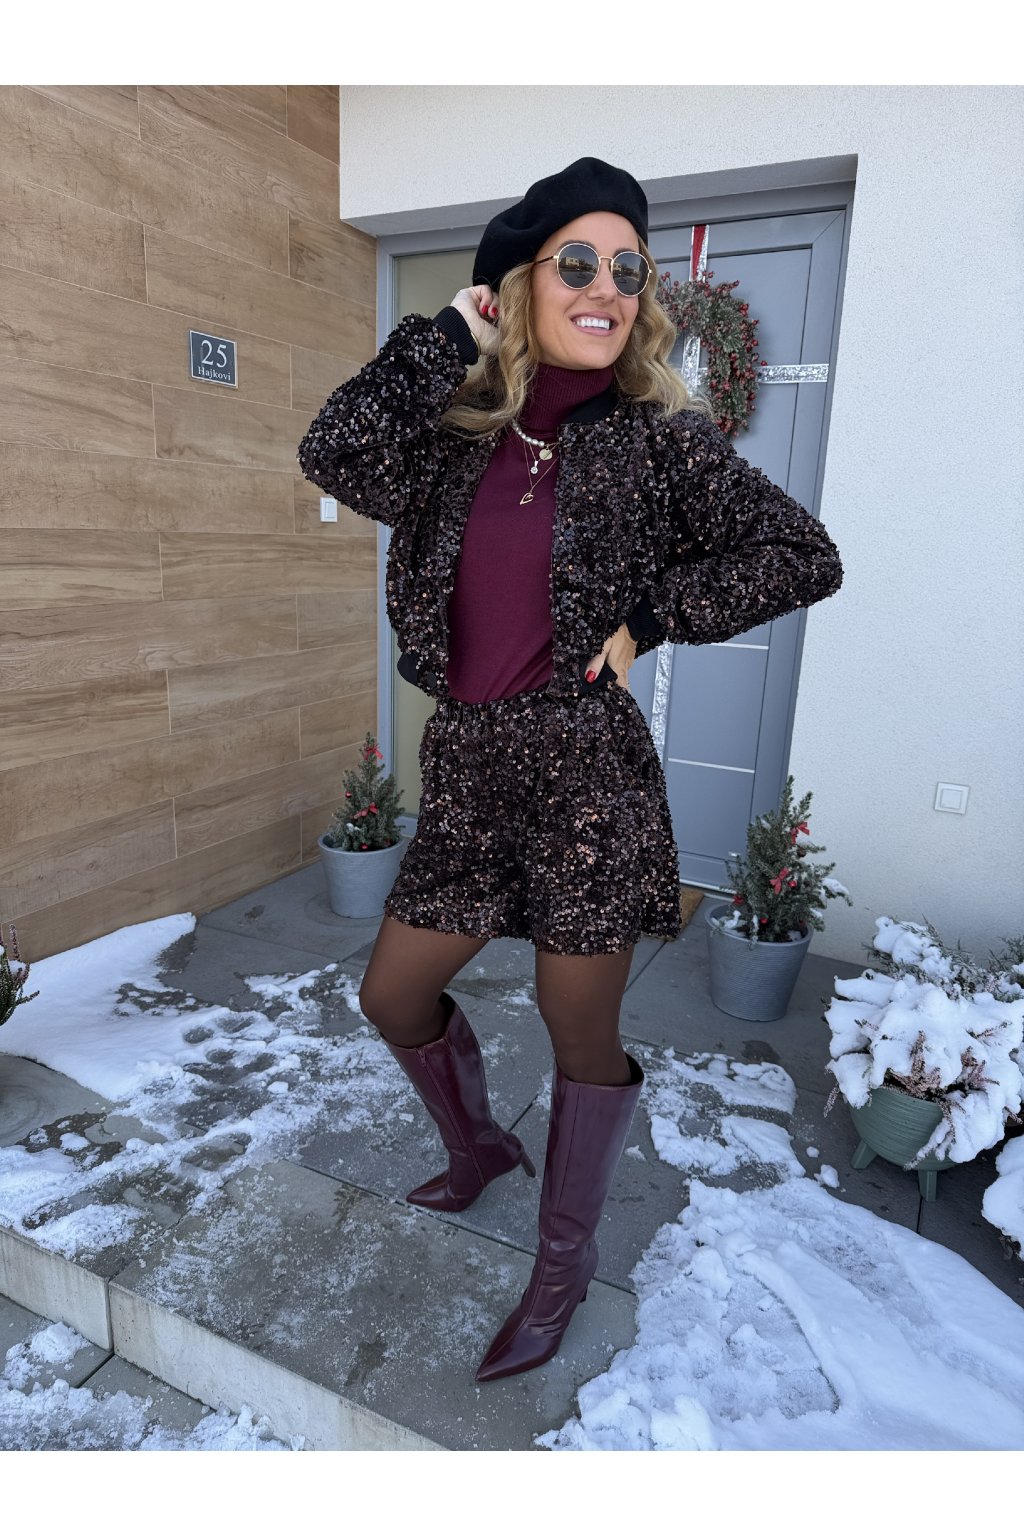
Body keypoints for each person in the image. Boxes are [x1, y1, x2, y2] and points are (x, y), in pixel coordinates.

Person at [296, 156, 844, 1384]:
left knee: (577, 1024)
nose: (606, 286)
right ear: (522, 284)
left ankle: (560, 1260)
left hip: (588, 775)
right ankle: (481, 1147)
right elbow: (332, 448)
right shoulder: (452, 441)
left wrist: (651, 618)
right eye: (578, 263)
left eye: (626, 268)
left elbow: (802, 553)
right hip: (467, 766)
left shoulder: (658, 443)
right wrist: (445, 333)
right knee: (393, 996)